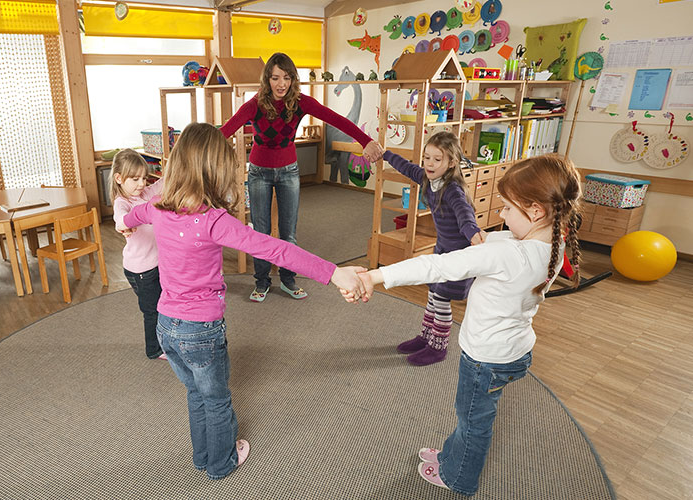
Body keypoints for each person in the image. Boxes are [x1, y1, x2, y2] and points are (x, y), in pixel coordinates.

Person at [117, 123, 366, 480]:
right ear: (217, 170)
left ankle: (202, 456)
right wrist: (333, 272)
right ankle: (220, 463)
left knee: (195, 392)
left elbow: (133, 215)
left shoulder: (157, 206)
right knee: (216, 399)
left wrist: (124, 223)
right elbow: (276, 248)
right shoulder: (213, 220)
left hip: (167, 326)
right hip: (201, 330)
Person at [344, 154, 582, 496]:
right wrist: (479, 236)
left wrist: (375, 275)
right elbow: (500, 243)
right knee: (474, 416)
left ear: (535, 211)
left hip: (486, 359)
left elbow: (436, 267)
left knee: (473, 422)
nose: (501, 215)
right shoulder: (554, 242)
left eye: (507, 209)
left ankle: (458, 477)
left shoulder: (508, 255)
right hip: (513, 351)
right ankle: (451, 455)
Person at [220, 52, 384, 303]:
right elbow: (225, 132)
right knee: (260, 233)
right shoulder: (253, 105)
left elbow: (336, 119)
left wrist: (366, 140)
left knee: (289, 232)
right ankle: (262, 281)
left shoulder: (300, 102)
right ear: (267, 80)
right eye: (275, 78)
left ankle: (287, 279)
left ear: (293, 79)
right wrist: (192, 149)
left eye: (286, 77)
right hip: (258, 173)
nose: (281, 84)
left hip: (289, 172)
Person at [381, 132, 485, 366]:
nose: (429, 163)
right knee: (432, 293)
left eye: (437, 159)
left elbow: (465, 215)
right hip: (442, 250)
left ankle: (438, 347)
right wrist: (385, 154)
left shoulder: (452, 190)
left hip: (458, 256)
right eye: (427, 157)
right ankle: (426, 337)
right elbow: (407, 167)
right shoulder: (429, 179)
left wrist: (473, 234)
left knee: (441, 298)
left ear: (451, 163)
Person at [110, 149, 167, 360]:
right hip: (140, 270)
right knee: (152, 310)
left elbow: (162, 183)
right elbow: (120, 218)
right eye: (135, 179)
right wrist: (125, 224)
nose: (142, 183)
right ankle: (154, 349)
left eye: (144, 178)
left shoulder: (144, 194)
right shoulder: (122, 202)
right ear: (119, 178)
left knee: (162, 305)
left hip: (156, 264)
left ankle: (165, 341)